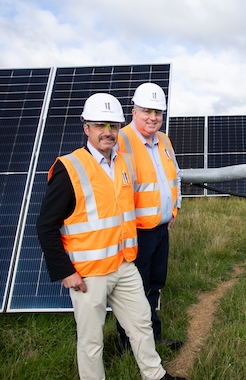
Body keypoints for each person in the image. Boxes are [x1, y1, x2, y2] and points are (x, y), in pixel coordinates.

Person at [37, 93, 184, 380]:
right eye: (100, 125)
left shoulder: (124, 163)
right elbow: (45, 225)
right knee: (91, 340)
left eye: (113, 126)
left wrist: (168, 212)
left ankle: (154, 376)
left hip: (124, 264)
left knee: (142, 322)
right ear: (86, 128)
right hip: (88, 273)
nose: (108, 132)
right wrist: (64, 271)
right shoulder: (70, 168)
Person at [116, 82, 183, 351]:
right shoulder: (121, 140)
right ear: (134, 111)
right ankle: (128, 345)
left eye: (158, 112)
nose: (153, 117)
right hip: (135, 234)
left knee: (154, 286)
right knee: (133, 292)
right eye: (147, 111)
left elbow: (174, 177)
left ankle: (153, 338)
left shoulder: (164, 140)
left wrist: (173, 210)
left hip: (160, 230)